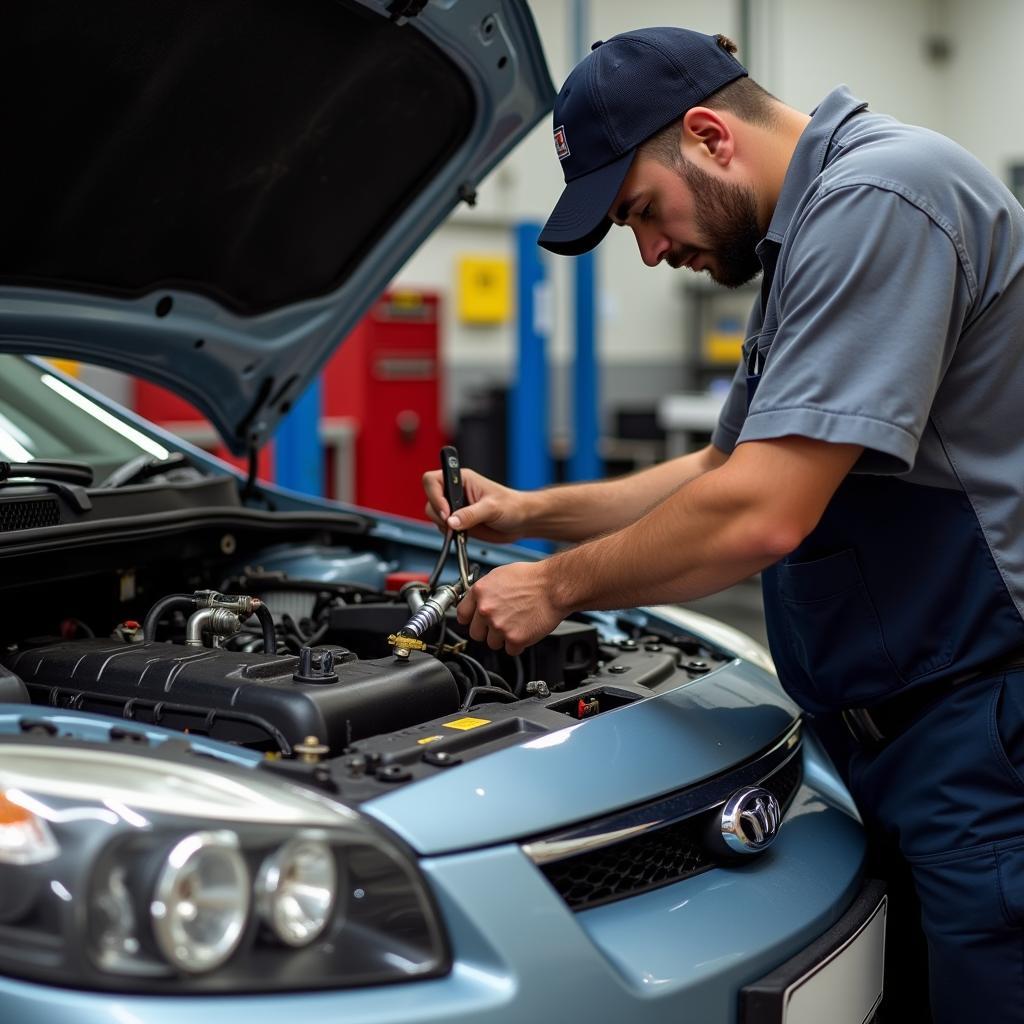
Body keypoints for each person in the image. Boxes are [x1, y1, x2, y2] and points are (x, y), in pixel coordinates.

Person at [422, 26, 1024, 1022]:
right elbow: (717, 470)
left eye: (641, 214)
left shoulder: (881, 198)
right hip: (901, 736)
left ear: (708, 135)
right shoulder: (810, 233)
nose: (652, 251)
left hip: (975, 736)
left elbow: (759, 512)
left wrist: (553, 584)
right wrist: (525, 515)